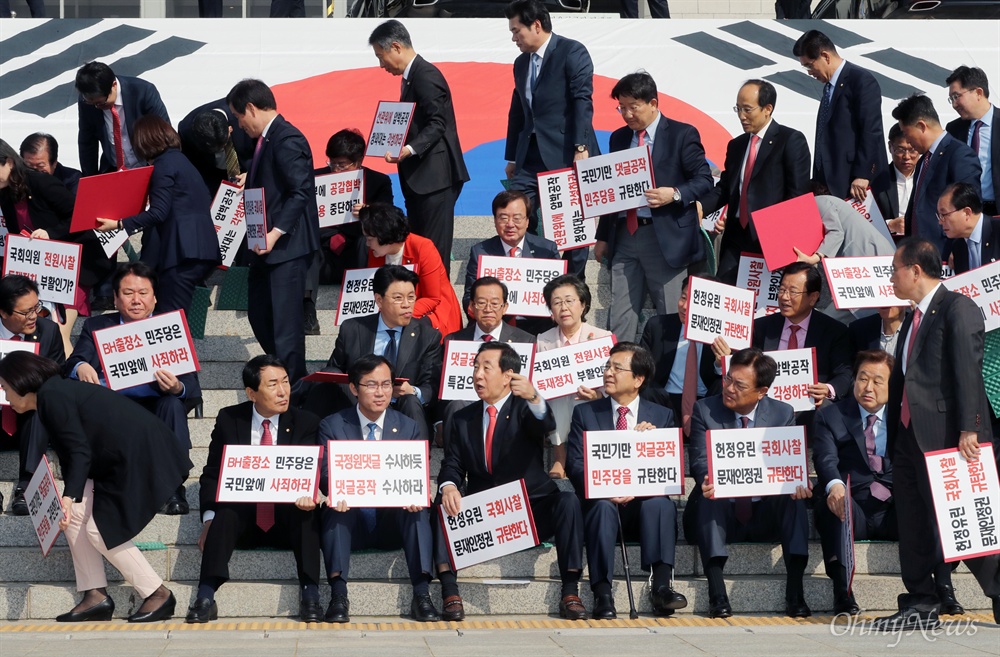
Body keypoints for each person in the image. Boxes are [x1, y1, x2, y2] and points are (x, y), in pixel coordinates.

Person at [0, 351, 190, 623]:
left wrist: (68, 497)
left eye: (6, 388)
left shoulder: (53, 395)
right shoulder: (53, 394)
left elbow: (78, 451)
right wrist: (70, 500)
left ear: (20, 382)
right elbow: (74, 450)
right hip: (114, 460)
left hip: (138, 457)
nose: (6, 397)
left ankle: (158, 594)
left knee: (99, 529)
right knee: (75, 517)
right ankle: (95, 596)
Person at [876, 238, 1000, 629]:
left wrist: (970, 429)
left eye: (894, 269)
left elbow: (968, 371)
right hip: (910, 437)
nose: (891, 277)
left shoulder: (957, 308)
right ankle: (920, 601)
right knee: (912, 523)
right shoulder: (910, 318)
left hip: (950, 437)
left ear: (915, 270)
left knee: (962, 522)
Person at [436, 341, 588, 621]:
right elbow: (453, 464)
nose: (477, 375)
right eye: (475, 367)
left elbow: (546, 425)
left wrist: (534, 398)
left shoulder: (523, 408)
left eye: (486, 368)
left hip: (531, 509)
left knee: (567, 501)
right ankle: (449, 592)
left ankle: (570, 591)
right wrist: (449, 486)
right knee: (442, 500)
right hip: (487, 513)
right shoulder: (461, 418)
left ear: (508, 376)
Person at [813, 350, 964, 617]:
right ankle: (842, 592)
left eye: (878, 381)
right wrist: (835, 485)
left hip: (897, 507)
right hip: (854, 505)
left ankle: (944, 587)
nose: (868, 387)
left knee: (935, 500)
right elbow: (825, 459)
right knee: (830, 500)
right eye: (862, 379)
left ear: (893, 386)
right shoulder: (831, 416)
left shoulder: (907, 416)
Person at [186, 355, 323, 623]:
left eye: (285, 381)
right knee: (223, 512)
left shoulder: (306, 422)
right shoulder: (229, 419)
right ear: (251, 393)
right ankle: (205, 596)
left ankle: (310, 594)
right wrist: (208, 520)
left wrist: (312, 494)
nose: (283, 391)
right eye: (273, 384)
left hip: (287, 518)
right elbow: (213, 474)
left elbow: (310, 474)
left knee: (307, 515)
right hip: (244, 521)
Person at [63, 262, 202, 515]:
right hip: (111, 406)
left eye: (143, 293)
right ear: (115, 298)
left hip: (154, 405)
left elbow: (192, 386)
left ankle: (173, 489)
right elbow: (73, 361)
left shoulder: (170, 327)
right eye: (128, 293)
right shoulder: (97, 326)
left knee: (172, 404)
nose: (136, 300)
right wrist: (81, 366)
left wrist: (177, 386)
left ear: (155, 297)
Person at [686, 348, 813, 618]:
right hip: (721, 513)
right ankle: (717, 592)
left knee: (792, 498)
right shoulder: (705, 409)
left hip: (763, 513)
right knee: (710, 492)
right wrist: (707, 479)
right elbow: (699, 459)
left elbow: (788, 464)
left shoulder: (782, 413)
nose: (729, 388)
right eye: (728, 379)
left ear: (761, 391)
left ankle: (795, 592)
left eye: (739, 385)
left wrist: (797, 483)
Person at [565, 342, 687, 619]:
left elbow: (671, 467)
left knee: (661, 504)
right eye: (607, 366)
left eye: (617, 368)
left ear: (638, 379)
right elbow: (575, 464)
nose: (608, 372)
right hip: (604, 505)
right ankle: (602, 593)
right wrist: (605, 489)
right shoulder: (585, 413)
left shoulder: (662, 415)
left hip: (642, 508)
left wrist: (653, 443)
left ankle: (662, 588)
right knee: (602, 507)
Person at [319, 354, 439, 623]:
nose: (380, 392)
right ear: (354, 388)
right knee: (334, 512)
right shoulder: (333, 425)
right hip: (352, 518)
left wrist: (414, 494)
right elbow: (326, 475)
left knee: (418, 511)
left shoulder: (408, 427)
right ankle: (338, 596)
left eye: (386, 384)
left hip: (391, 521)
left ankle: (422, 594)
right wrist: (337, 490)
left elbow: (415, 474)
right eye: (371, 385)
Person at [595, 72, 713, 342]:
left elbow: (704, 180)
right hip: (625, 235)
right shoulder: (618, 138)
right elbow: (611, 190)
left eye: (633, 107)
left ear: (653, 103)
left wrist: (674, 194)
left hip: (665, 238)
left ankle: (673, 374)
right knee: (622, 314)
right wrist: (603, 236)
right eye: (621, 108)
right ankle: (619, 371)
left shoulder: (682, 134)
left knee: (671, 313)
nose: (626, 114)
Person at [226, 78, 319, 385]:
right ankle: (284, 379)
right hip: (265, 250)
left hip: (285, 249)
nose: (240, 126)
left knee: (285, 328)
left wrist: (275, 232)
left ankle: (294, 389)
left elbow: (300, 191)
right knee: (261, 316)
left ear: (250, 108)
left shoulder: (287, 138)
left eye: (239, 118)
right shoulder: (267, 140)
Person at [503, 0, 599, 280]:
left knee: (573, 226)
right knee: (515, 209)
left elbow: (583, 100)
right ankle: (535, 268)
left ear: (536, 25)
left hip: (568, 152)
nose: (513, 38)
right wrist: (511, 156)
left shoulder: (571, 51)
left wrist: (581, 147)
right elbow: (518, 111)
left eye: (516, 30)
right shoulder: (521, 63)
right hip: (530, 156)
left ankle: (573, 282)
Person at [94, 115, 221, 315]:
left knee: (170, 321)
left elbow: (158, 213)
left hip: (182, 253)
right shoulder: (181, 161)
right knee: (170, 317)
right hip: (199, 249)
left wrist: (119, 223)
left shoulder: (164, 165)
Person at [368, 20, 469, 267]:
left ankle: (439, 305)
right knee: (422, 250)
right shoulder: (412, 77)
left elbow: (438, 123)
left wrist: (410, 149)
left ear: (396, 47)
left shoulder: (426, 75)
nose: (381, 65)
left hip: (435, 180)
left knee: (433, 254)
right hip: (421, 180)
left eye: (382, 57)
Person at [304, 265, 442, 442]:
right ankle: (310, 448)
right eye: (398, 298)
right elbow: (335, 370)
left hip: (401, 410)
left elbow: (431, 386)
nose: (407, 304)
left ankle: (419, 462)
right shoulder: (353, 329)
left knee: (411, 400)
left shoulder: (428, 336)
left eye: (411, 297)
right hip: (358, 405)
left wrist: (413, 390)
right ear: (379, 300)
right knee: (326, 383)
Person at [699, 79, 811, 285]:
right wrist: (700, 206)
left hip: (771, 240)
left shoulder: (790, 140)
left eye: (747, 109)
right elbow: (725, 188)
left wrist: (780, 239)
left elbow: (797, 197)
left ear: (767, 109)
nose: (741, 116)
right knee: (725, 292)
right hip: (735, 237)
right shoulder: (737, 145)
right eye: (738, 109)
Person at [0, 140, 87, 355]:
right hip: (31, 264)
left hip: (68, 264)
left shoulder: (41, 182)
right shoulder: (4, 191)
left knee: (58, 323)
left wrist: (51, 233)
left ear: (9, 162)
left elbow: (80, 216)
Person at [437, 276, 536, 448]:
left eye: (495, 303)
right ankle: (454, 467)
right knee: (456, 405)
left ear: (505, 307)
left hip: (506, 407)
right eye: (481, 303)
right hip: (466, 405)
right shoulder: (453, 340)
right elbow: (439, 385)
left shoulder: (525, 341)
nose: (488, 309)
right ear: (471, 307)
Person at [748, 263, 853, 417]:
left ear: (813, 297)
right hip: (766, 407)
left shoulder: (835, 331)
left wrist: (828, 389)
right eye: (782, 289)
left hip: (811, 409)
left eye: (793, 292)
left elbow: (845, 373)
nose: (784, 297)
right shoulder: (761, 327)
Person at [793, 30, 885, 202]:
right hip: (827, 183)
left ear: (825, 56)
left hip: (853, 183)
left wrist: (862, 174)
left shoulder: (861, 81)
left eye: (809, 65)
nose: (809, 72)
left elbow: (871, 130)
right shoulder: (829, 88)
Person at [0, 275, 66, 517]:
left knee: (41, 406)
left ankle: (26, 486)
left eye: (36, 308)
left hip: (30, 422)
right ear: (4, 312)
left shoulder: (48, 332)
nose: (33, 317)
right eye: (25, 312)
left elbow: (59, 379)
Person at [536, 274, 613, 479]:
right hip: (558, 402)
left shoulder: (602, 337)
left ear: (583, 305)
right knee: (557, 397)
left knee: (581, 400)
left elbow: (613, 381)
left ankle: (587, 457)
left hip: (595, 401)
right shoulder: (543, 340)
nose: (564, 308)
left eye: (569, 301)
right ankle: (560, 458)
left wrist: (598, 396)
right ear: (551, 310)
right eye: (557, 302)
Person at [892, 93, 981, 255]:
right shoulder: (923, 160)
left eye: (906, 133)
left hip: (946, 253)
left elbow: (970, 208)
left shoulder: (959, 154)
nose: (907, 140)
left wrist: (959, 249)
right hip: (921, 254)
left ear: (921, 126)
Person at [462, 190, 560, 335]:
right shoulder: (481, 252)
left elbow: (560, 291)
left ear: (527, 221)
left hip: (540, 328)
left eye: (517, 218)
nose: (510, 224)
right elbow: (468, 297)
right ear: (495, 220)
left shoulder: (546, 249)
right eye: (503, 218)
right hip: (496, 328)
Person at [361, 203, 462, 338]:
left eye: (370, 239)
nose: (367, 244)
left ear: (384, 236)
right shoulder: (376, 252)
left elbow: (431, 298)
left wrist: (397, 314)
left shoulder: (423, 247)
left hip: (430, 312)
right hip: (394, 311)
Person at [639, 276, 722, 431]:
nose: (684, 306)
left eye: (693, 302)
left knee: (723, 385)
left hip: (705, 399)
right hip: (664, 398)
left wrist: (721, 363)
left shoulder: (723, 334)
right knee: (645, 387)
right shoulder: (657, 327)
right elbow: (639, 367)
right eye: (683, 298)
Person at [312, 128, 394, 286]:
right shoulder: (316, 178)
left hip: (356, 248)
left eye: (342, 165)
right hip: (323, 248)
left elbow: (388, 219)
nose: (336, 170)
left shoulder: (378, 182)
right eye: (332, 163)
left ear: (359, 161)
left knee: (367, 240)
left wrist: (368, 212)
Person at [74, 61, 170, 176]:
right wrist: (90, 178)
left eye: (101, 103)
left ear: (114, 85)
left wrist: (164, 173)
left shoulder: (144, 91)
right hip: (114, 170)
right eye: (92, 103)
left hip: (149, 166)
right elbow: (87, 142)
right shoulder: (87, 102)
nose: (97, 107)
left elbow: (165, 135)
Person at [945, 66, 998, 217]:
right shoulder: (954, 129)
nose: (954, 104)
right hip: (964, 214)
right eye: (951, 99)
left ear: (978, 93)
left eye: (957, 96)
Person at [177, 98, 256, 195]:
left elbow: (266, 150)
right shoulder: (186, 130)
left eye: (223, 145)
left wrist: (252, 174)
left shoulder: (244, 115)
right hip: (212, 174)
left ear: (229, 129)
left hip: (247, 171)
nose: (221, 150)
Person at [939, 182, 1000, 273]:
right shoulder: (958, 247)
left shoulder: (997, 230)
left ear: (967, 212)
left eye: (944, 215)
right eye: (939, 216)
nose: (940, 222)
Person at [875, 124, 919, 236]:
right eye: (901, 150)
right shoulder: (877, 180)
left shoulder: (929, 178)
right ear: (890, 147)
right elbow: (862, 221)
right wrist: (890, 225)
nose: (907, 156)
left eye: (912, 150)